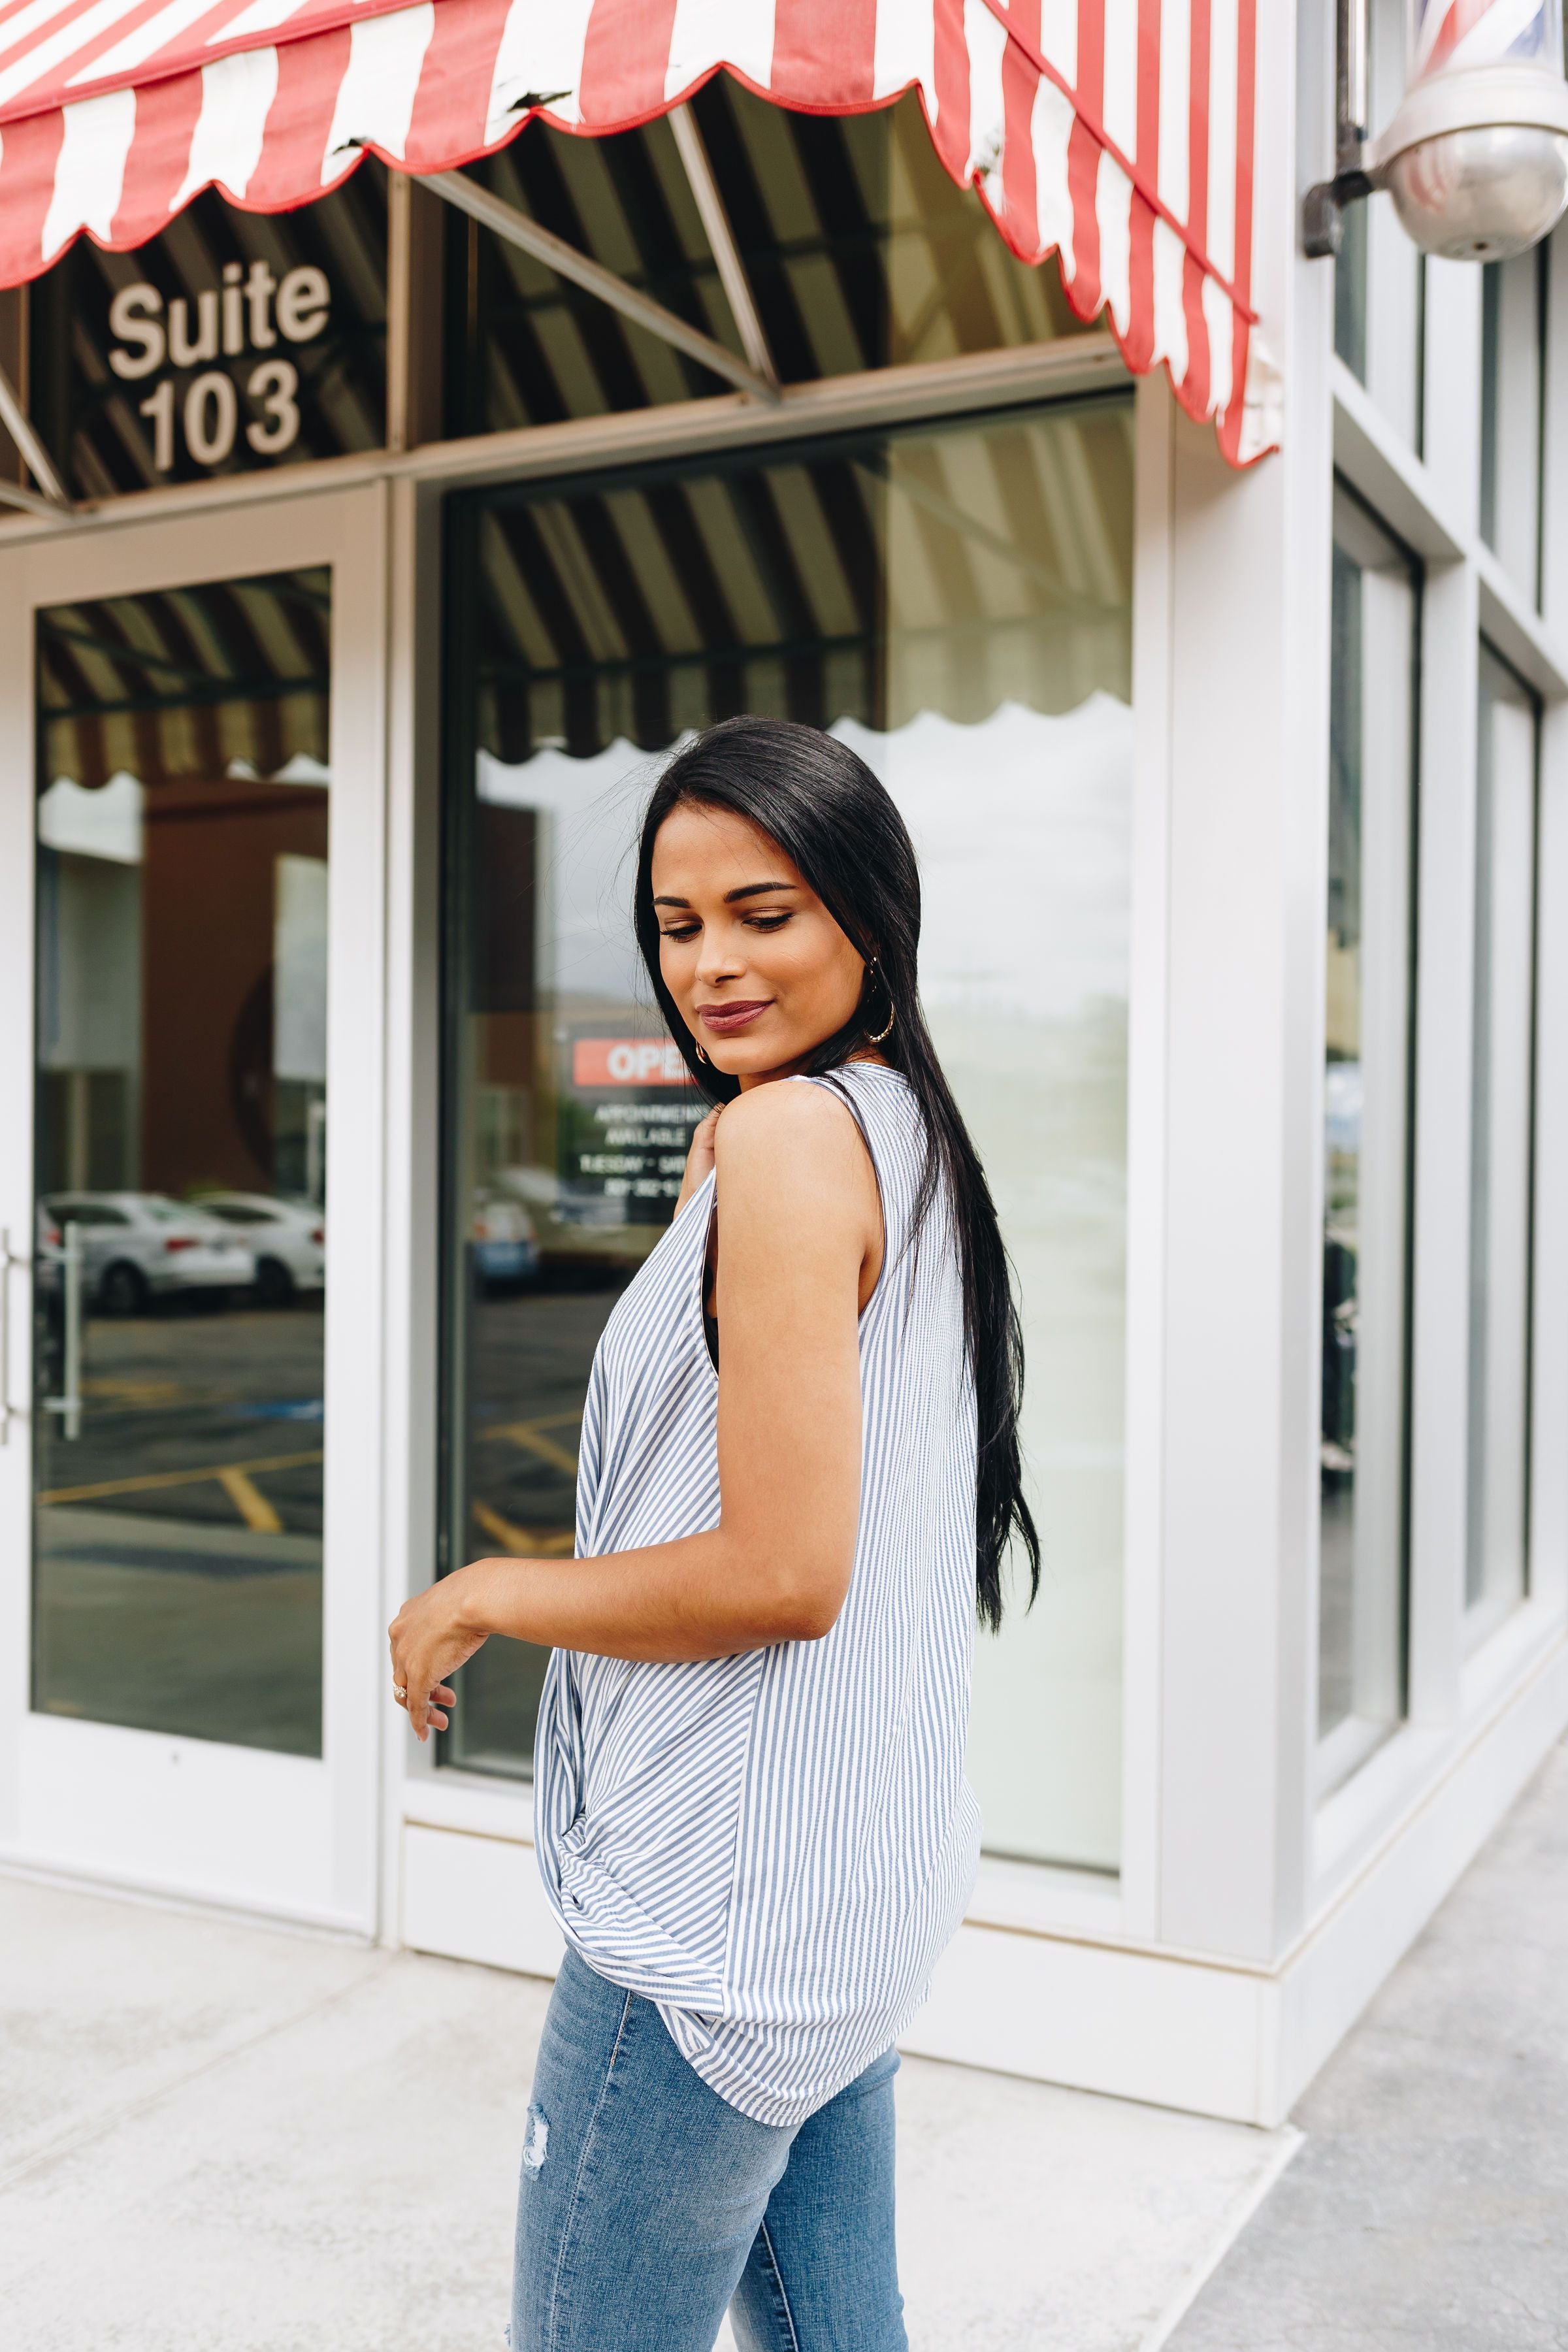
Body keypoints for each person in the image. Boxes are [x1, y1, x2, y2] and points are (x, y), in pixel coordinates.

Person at [389, 716, 1039, 2352]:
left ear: (865, 914)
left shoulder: (791, 1138)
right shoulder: (895, 1125)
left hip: (718, 1909)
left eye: (767, 912)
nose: (712, 965)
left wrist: (489, 1588)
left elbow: (783, 1574)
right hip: (844, 1877)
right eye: (680, 927)